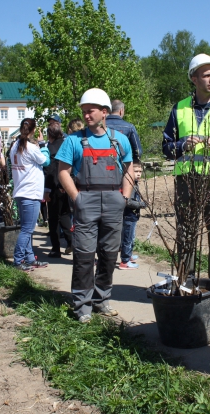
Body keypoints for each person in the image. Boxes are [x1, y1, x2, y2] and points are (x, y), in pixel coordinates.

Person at [162, 53, 210, 315]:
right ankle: (186, 286)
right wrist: (182, 145)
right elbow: (166, 148)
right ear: (194, 79)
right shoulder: (179, 107)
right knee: (187, 236)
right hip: (186, 181)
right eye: (206, 75)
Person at [56, 88, 134, 323]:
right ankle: (82, 306)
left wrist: (125, 198)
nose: (86, 116)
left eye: (90, 111)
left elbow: (129, 168)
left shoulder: (119, 140)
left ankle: (102, 300)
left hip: (114, 200)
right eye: (84, 111)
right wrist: (77, 198)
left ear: (104, 112)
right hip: (86, 201)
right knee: (84, 256)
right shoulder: (73, 141)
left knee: (110, 255)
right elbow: (63, 172)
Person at [10, 118, 50, 270]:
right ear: (33, 130)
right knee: (27, 229)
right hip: (31, 192)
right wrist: (42, 144)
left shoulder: (15, 145)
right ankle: (18, 260)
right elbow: (45, 161)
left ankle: (30, 258)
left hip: (21, 191)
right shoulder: (31, 147)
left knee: (27, 227)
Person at [43, 117, 73, 258]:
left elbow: (49, 171)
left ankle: (56, 249)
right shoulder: (67, 144)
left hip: (55, 186)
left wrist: (47, 190)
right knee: (65, 215)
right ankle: (71, 241)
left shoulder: (50, 148)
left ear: (50, 135)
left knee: (54, 218)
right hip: (67, 186)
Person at [118, 160, 145, 270]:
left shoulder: (135, 183)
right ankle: (124, 261)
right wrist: (142, 204)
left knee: (131, 237)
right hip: (129, 215)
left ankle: (128, 255)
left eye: (140, 171)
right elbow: (128, 201)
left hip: (132, 216)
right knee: (127, 238)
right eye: (136, 171)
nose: (138, 174)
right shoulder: (129, 185)